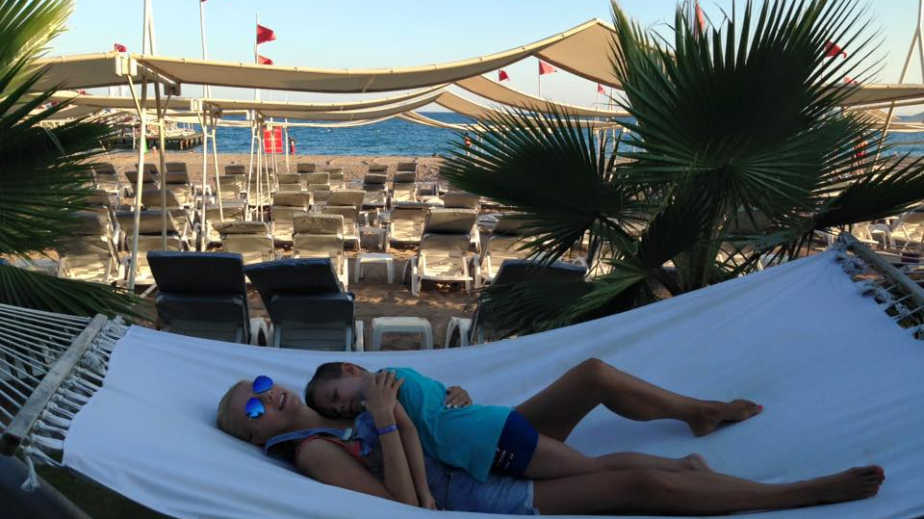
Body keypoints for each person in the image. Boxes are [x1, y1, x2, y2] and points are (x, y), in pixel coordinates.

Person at [216, 369, 884, 515]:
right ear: (255, 433)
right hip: (483, 479)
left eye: (263, 384)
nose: (268, 396)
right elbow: (400, 505)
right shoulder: (313, 450)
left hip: (485, 433)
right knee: (640, 485)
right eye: (254, 405)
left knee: (592, 376)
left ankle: (698, 414)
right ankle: (801, 494)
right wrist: (390, 421)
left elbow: (419, 403)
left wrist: (450, 395)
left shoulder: (332, 404)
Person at [304, 360, 758, 483]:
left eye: (338, 397)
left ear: (351, 369)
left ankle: (694, 422)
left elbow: (424, 421)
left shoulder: (385, 389)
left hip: (495, 434)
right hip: (496, 431)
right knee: (592, 461)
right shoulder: (382, 402)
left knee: (593, 461)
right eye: (336, 411)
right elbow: (414, 431)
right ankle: (692, 434)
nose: (345, 408)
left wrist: (458, 392)